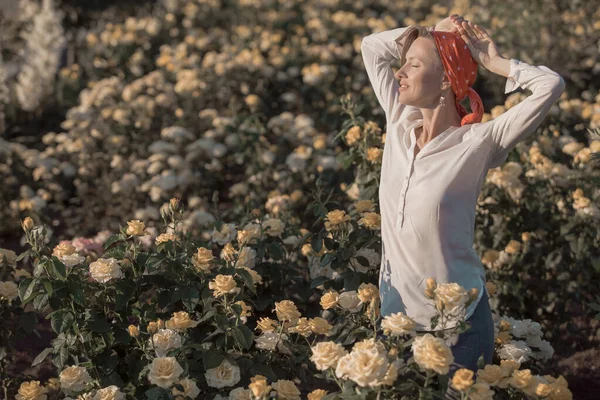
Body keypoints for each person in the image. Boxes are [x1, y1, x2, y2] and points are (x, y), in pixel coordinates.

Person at [361, 12, 565, 395]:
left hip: (460, 329)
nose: (400, 72)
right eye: (403, 64)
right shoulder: (399, 120)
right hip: (398, 322)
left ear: (444, 81)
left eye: (415, 64)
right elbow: (371, 46)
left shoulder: (477, 143)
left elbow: (550, 84)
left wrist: (493, 62)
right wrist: (433, 30)